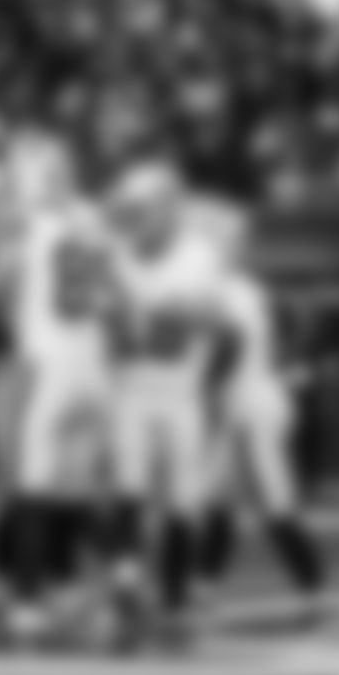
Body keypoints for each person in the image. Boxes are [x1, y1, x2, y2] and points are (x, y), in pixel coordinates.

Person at [0, 129, 114, 645]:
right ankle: (96, 593)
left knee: (31, 492)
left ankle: (26, 604)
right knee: (78, 493)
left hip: (47, 367)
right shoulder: (93, 220)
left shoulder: (29, 224)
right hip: (93, 368)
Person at [99, 162, 232, 646]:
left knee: (183, 501)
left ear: (171, 208)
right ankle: (125, 586)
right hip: (130, 385)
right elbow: (108, 324)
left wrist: (166, 312)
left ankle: (174, 600)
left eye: (147, 208)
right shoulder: (116, 254)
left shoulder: (199, 253)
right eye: (134, 209)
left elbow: (211, 318)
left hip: (181, 390)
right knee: (128, 490)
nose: (138, 217)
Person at [195, 196, 330, 626]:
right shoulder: (229, 286)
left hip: (251, 403)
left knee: (273, 498)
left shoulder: (235, 290)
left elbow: (228, 349)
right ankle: (203, 586)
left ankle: (311, 588)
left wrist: (204, 394)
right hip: (239, 400)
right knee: (216, 498)